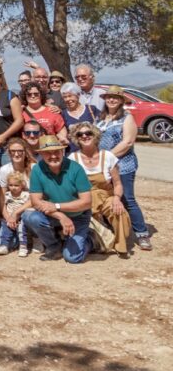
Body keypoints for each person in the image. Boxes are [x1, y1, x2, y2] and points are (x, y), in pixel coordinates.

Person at [22, 135, 93, 263]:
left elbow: (87, 202)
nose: (53, 156)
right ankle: (54, 245)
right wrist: (61, 216)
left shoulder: (76, 168)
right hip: (53, 215)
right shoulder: (37, 170)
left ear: (62, 151)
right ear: (41, 154)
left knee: (73, 258)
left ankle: (91, 240)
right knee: (30, 216)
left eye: (56, 151)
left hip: (78, 216)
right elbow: (35, 202)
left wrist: (57, 206)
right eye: (48, 153)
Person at [97, 85, 151, 251]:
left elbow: (127, 142)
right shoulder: (101, 118)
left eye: (115, 97)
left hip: (123, 165)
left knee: (127, 198)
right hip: (104, 166)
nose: (111, 100)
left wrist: (107, 157)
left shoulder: (127, 118)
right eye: (109, 97)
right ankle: (116, 231)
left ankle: (142, 233)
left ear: (121, 100)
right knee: (108, 198)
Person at [68, 121, 131, 257]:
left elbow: (117, 184)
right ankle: (98, 241)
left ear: (95, 135)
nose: (84, 136)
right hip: (84, 199)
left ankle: (120, 245)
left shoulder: (108, 156)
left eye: (88, 133)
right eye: (80, 134)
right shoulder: (73, 158)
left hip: (106, 196)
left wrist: (117, 198)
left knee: (118, 211)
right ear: (76, 139)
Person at [0, 172, 31, 257]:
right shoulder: (7, 195)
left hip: (20, 218)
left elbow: (28, 206)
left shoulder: (26, 195)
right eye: (11, 185)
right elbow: (4, 205)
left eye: (16, 185)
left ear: (22, 185)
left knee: (21, 230)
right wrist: (8, 218)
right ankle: (4, 245)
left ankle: (23, 246)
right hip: (9, 218)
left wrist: (17, 216)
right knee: (5, 229)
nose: (13, 187)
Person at [61, 82, 99, 152]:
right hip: (73, 153)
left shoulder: (91, 109)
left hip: (93, 151)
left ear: (78, 95)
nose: (68, 99)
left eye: (70, 96)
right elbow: (62, 133)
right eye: (65, 97)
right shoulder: (63, 114)